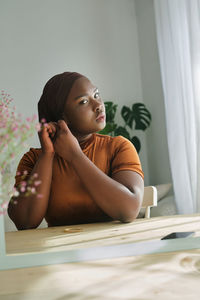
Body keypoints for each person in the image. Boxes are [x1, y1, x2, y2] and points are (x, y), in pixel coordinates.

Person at [8, 72, 144, 230]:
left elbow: (129, 209)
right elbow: (25, 222)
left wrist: (76, 156)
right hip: (59, 251)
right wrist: (47, 155)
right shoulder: (33, 160)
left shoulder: (119, 147)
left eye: (96, 94)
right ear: (62, 116)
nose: (98, 105)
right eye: (84, 101)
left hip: (114, 246)